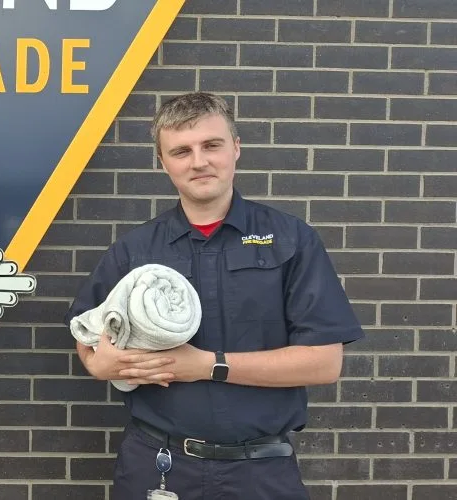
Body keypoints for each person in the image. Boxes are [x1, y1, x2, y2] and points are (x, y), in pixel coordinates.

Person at [64, 92, 363, 499]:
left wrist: (208, 365)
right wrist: (101, 366)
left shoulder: (291, 239)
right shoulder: (136, 251)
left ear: (236, 148)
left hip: (261, 472)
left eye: (211, 145)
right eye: (181, 151)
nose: (199, 161)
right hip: (157, 467)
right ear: (163, 162)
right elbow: (88, 336)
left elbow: (324, 363)